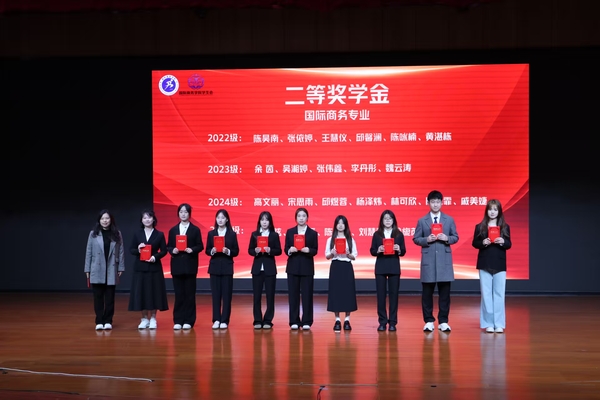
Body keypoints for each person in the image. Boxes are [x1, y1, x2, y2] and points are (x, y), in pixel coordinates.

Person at [413, 190, 459, 332]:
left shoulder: (449, 220)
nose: (435, 204)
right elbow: (416, 239)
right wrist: (427, 239)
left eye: (438, 202)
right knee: (427, 294)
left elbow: (455, 237)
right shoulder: (422, 221)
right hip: (429, 261)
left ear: (441, 203)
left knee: (445, 294)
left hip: (444, 261)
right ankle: (428, 321)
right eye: (433, 202)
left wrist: (447, 238)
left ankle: (443, 321)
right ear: (428, 203)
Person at [472, 199, 512, 334]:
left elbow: (509, 244)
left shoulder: (505, 227)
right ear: (487, 211)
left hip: (499, 263)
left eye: (495, 209)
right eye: (490, 209)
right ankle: (488, 323)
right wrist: (483, 242)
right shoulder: (480, 226)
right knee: (486, 294)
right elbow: (475, 243)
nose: (492, 212)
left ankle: (499, 324)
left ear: (499, 211)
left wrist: (502, 241)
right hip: (485, 263)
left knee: (499, 294)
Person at [84, 209, 125, 330]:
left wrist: (121, 267)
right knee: (98, 297)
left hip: (111, 268)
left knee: (110, 297)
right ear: (99, 220)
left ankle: (108, 320)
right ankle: (99, 321)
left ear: (111, 219)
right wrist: (87, 269)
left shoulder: (116, 233)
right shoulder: (93, 234)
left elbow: (121, 251)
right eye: (102, 218)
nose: (105, 221)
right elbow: (88, 252)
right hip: (96, 268)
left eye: (107, 218)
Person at [128, 209, 169, 329]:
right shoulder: (137, 234)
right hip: (140, 268)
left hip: (154, 267)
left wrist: (155, 257)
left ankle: (153, 318)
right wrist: (138, 250)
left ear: (153, 219)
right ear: (141, 220)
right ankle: (144, 318)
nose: (147, 220)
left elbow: (164, 250)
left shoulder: (159, 234)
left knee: (154, 292)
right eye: (145, 218)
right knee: (142, 292)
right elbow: (131, 250)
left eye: (149, 217)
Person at [167, 203, 204, 331]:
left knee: (189, 294)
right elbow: (168, 246)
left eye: (186, 212)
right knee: (178, 294)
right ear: (178, 214)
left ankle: (189, 320)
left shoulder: (195, 230)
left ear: (189, 214)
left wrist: (192, 249)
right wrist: (172, 250)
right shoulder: (173, 230)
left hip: (190, 266)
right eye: (181, 212)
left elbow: (200, 246)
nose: (183, 214)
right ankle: (178, 320)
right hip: (177, 266)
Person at [370, 210, 407, 332]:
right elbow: (372, 250)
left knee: (394, 296)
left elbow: (403, 251)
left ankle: (392, 322)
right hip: (381, 267)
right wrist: (378, 250)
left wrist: (399, 249)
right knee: (381, 297)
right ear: (382, 221)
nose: (387, 221)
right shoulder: (377, 234)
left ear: (393, 221)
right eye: (385, 219)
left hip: (394, 267)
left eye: (390, 219)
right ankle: (382, 322)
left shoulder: (399, 234)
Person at [284, 207, 318, 330]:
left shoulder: (312, 233)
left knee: (307, 295)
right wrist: (290, 250)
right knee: (293, 295)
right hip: (293, 267)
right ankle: (294, 320)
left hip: (307, 267)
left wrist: (309, 250)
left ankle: (307, 321)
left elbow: (315, 250)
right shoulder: (290, 232)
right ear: (296, 218)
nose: (301, 218)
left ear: (307, 218)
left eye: (303, 216)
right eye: (299, 216)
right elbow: (285, 249)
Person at [205, 209, 239, 329]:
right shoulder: (211, 234)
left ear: (227, 219)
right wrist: (212, 251)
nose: (220, 220)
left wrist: (228, 251)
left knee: (226, 295)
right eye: (218, 218)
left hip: (227, 267)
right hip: (214, 267)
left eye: (223, 218)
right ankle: (216, 319)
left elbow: (236, 251)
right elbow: (207, 250)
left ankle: (224, 320)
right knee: (215, 295)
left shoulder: (232, 234)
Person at [248, 211, 282, 329]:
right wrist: (255, 251)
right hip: (257, 269)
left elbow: (279, 250)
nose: (264, 222)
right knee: (256, 296)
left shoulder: (274, 235)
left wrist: (270, 250)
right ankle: (257, 320)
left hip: (270, 269)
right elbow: (250, 250)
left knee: (270, 296)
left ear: (270, 222)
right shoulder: (254, 234)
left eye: (266, 220)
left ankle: (268, 320)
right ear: (259, 221)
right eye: (262, 220)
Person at [325, 215, 358, 332]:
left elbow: (354, 256)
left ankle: (347, 320)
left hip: (346, 267)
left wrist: (348, 254)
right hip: (335, 266)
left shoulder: (350, 239)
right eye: (338, 223)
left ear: (346, 225)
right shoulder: (330, 239)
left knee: (348, 293)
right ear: (335, 225)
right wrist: (332, 253)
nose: (340, 225)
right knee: (336, 293)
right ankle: (337, 320)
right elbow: (327, 256)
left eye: (342, 223)